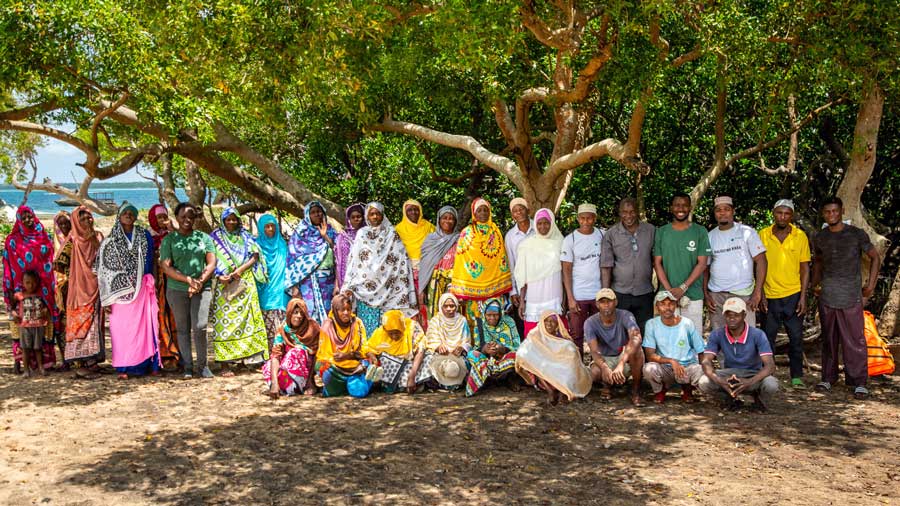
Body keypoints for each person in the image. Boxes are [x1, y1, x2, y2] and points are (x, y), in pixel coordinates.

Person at [811, 196, 881, 399]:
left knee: (855, 340)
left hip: (851, 295)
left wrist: (871, 285)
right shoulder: (820, 237)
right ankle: (827, 378)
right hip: (828, 296)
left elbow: (875, 257)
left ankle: (858, 381)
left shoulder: (856, 234)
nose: (832, 215)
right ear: (824, 214)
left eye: (835, 211)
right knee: (829, 339)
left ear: (842, 211)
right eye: (827, 212)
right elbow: (818, 261)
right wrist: (815, 284)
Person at [96, 203, 159, 379]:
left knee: (145, 328)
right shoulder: (111, 240)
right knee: (121, 331)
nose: (129, 215)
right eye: (125, 213)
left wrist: (152, 280)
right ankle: (124, 368)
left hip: (142, 290)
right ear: (119, 216)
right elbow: (103, 270)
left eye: (132, 213)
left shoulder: (144, 234)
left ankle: (147, 365)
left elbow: (151, 259)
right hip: (118, 295)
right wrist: (106, 299)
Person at [342, 202, 418, 337]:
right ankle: (367, 353)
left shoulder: (391, 234)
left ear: (383, 216)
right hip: (364, 290)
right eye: (372, 214)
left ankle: (385, 354)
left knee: (388, 330)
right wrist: (348, 284)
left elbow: (401, 259)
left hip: (389, 291)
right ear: (367, 216)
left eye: (378, 214)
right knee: (366, 331)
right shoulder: (361, 234)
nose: (375, 217)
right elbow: (353, 261)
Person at [159, 202, 217, 379]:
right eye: (183, 216)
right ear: (176, 218)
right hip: (177, 290)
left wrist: (199, 281)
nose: (187, 220)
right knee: (183, 329)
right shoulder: (169, 240)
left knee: (200, 327)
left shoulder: (203, 238)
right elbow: (166, 267)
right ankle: (188, 367)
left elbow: (212, 262)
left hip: (202, 288)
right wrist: (188, 280)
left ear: (195, 218)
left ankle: (203, 365)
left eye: (190, 216)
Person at [209, 207, 269, 371]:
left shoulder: (246, 236)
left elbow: (255, 255)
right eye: (228, 219)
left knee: (247, 322)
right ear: (223, 220)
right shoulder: (215, 238)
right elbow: (209, 259)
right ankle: (224, 363)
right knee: (225, 323)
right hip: (225, 285)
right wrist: (219, 275)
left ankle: (247, 360)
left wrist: (239, 271)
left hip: (245, 282)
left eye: (234, 219)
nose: (231, 222)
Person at [758, 199, 810, 389]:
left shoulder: (800, 236)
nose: (782, 217)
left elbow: (805, 268)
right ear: (773, 213)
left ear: (792, 215)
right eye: (779, 213)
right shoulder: (762, 235)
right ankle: (769, 375)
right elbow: (757, 266)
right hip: (769, 296)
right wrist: (760, 292)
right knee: (767, 338)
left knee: (795, 338)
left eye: (787, 213)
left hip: (793, 294)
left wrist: (803, 296)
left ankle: (796, 377)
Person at [3, 205, 58, 373]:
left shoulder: (43, 235)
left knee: (43, 327)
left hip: (42, 288)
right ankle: (21, 364)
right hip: (20, 288)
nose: (28, 219)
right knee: (21, 327)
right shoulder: (12, 240)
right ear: (19, 219)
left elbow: (49, 259)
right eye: (24, 217)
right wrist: (11, 291)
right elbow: (8, 265)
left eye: (30, 216)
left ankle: (44, 363)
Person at [699, 297, 778, 411]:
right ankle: (728, 399)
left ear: (744, 315)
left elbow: (770, 366)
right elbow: (706, 361)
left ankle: (759, 400)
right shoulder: (717, 334)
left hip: (753, 374)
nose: (732, 319)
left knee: (771, 384)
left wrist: (749, 382)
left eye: (736, 315)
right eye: (728, 315)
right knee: (704, 382)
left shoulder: (757, 334)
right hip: (730, 375)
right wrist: (719, 380)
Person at [704, 196, 767, 330]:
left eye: (726, 209)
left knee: (746, 336)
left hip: (743, 293)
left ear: (733, 211)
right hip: (717, 295)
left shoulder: (746, 232)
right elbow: (705, 267)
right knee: (720, 337)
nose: (722, 213)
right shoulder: (710, 236)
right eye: (718, 210)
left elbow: (761, 261)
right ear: (714, 213)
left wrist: (757, 292)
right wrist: (706, 294)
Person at [450, 197, 513, 329]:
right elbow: (462, 260)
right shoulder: (466, 232)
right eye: (479, 210)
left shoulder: (495, 231)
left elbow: (500, 257)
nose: (483, 213)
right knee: (475, 322)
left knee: (495, 319)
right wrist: (461, 286)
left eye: (486, 210)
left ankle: (495, 347)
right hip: (472, 288)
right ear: (474, 213)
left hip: (494, 286)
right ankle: (477, 346)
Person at [653, 193, 711, 333]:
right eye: (677, 205)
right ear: (671, 208)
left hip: (693, 295)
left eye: (684, 205)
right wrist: (671, 292)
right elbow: (657, 263)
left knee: (693, 339)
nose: (681, 208)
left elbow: (702, 263)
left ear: (690, 208)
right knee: (667, 342)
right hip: (666, 297)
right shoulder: (661, 232)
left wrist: (682, 288)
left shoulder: (700, 231)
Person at [601, 197, 656, 334]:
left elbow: (658, 261)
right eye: (624, 212)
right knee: (621, 333)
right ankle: (623, 357)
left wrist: (659, 288)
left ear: (637, 212)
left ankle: (643, 356)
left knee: (644, 333)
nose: (628, 216)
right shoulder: (611, 234)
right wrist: (606, 294)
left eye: (632, 212)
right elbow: (606, 266)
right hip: (620, 293)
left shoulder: (651, 231)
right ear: (619, 213)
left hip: (645, 292)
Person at [62, 207, 105, 377]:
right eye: (83, 219)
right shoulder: (72, 240)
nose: (88, 221)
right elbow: (59, 262)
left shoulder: (99, 236)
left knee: (95, 324)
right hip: (79, 289)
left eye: (90, 217)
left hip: (95, 286)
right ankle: (81, 364)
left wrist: (93, 240)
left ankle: (92, 362)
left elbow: (105, 257)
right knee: (81, 324)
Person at [516, 310, 592, 405]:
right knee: (536, 362)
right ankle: (550, 391)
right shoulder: (535, 335)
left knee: (571, 355)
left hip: (560, 373)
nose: (549, 324)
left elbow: (571, 356)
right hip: (543, 375)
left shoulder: (562, 339)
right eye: (546, 321)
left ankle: (562, 392)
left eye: (552, 321)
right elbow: (524, 351)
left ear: (557, 324)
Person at [642, 291, 706, 404]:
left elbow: (700, 349)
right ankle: (660, 390)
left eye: (670, 303)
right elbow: (650, 355)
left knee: (701, 370)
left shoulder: (687, 323)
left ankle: (688, 389)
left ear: (675, 305)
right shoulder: (651, 324)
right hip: (665, 368)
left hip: (686, 367)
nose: (667, 307)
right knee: (649, 369)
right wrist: (671, 361)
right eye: (662, 304)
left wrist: (702, 375)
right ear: (657, 306)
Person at [584, 289, 645, 406]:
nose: (606, 305)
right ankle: (607, 386)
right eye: (602, 302)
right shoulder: (590, 322)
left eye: (609, 301)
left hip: (623, 356)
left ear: (616, 302)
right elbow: (594, 351)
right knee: (594, 372)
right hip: (605, 357)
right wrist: (604, 367)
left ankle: (636, 390)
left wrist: (622, 363)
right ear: (597, 304)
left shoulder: (626, 315)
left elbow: (637, 337)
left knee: (638, 351)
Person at [515, 208, 564, 338]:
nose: (543, 226)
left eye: (546, 222)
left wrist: (565, 299)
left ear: (552, 223)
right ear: (535, 225)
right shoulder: (527, 245)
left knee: (554, 333)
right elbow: (523, 276)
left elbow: (565, 273)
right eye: (539, 223)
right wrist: (522, 301)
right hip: (533, 296)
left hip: (553, 293)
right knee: (533, 336)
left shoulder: (560, 243)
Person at [562, 203, 604, 351]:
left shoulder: (602, 235)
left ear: (595, 218)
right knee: (577, 334)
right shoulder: (570, 239)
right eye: (582, 218)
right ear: (578, 218)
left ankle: (598, 367)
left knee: (599, 333)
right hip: (579, 295)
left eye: (589, 218)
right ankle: (578, 367)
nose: (586, 222)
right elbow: (566, 270)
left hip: (598, 294)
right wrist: (570, 298)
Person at [286, 201, 337, 324]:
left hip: (328, 282)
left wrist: (325, 236)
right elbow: (292, 260)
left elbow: (338, 254)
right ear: (307, 215)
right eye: (313, 212)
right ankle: (311, 342)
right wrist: (294, 286)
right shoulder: (300, 233)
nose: (317, 214)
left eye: (319, 211)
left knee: (329, 314)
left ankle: (326, 341)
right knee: (309, 313)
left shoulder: (331, 231)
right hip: (307, 283)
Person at [315, 293, 374, 398]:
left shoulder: (357, 323)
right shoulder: (328, 325)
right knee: (322, 367)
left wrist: (348, 355)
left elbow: (363, 347)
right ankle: (345, 384)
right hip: (336, 368)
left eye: (348, 309)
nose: (346, 313)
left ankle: (358, 381)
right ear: (335, 311)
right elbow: (324, 355)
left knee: (359, 392)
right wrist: (339, 359)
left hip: (355, 366)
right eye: (342, 310)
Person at [263, 298, 320, 397]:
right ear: (289, 313)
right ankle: (281, 387)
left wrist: (311, 382)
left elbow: (317, 354)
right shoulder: (283, 329)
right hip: (289, 365)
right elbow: (276, 355)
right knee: (269, 365)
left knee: (296, 352)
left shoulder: (312, 328)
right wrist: (274, 383)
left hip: (308, 367)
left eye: (302, 313)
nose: (299, 316)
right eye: (295, 312)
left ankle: (303, 384)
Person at [366, 309, 431, 394]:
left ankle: (411, 382)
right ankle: (390, 384)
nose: (394, 336)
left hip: (411, 365)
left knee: (430, 357)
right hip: (390, 367)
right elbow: (369, 348)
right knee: (382, 359)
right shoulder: (380, 332)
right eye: (390, 333)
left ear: (402, 327)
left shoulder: (412, 327)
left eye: (397, 332)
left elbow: (421, 350)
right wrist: (373, 358)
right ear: (386, 330)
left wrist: (412, 375)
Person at [466, 298, 521, 396]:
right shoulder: (479, 323)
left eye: (496, 315)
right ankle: (486, 379)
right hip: (487, 359)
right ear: (484, 314)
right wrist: (485, 349)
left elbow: (517, 345)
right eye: (489, 315)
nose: (492, 318)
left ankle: (510, 379)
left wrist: (502, 348)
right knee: (472, 354)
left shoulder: (509, 322)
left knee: (517, 356)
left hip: (504, 357)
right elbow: (477, 346)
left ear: (500, 313)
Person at [148, 204, 179, 370]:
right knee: (159, 317)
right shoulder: (148, 237)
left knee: (174, 317)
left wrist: (172, 229)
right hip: (156, 283)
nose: (161, 221)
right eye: (158, 217)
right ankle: (161, 355)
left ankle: (174, 354)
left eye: (164, 217)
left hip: (172, 281)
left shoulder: (172, 235)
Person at [418, 205, 460, 319]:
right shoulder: (430, 240)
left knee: (453, 313)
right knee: (434, 313)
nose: (447, 221)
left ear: (455, 221)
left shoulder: (460, 239)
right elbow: (425, 266)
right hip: (434, 282)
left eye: (451, 218)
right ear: (439, 220)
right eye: (444, 217)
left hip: (454, 282)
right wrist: (421, 289)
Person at [256, 214, 290, 350]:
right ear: (261, 228)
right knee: (267, 324)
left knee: (283, 324)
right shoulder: (256, 246)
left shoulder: (282, 245)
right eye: (267, 226)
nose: (270, 229)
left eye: (273, 226)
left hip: (281, 292)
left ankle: (282, 354)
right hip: (264, 291)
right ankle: (269, 355)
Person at [395, 199, 435, 315]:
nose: (413, 212)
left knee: (426, 303)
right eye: (409, 210)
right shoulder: (398, 230)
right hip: (405, 273)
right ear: (404, 212)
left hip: (427, 271)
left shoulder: (429, 227)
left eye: (416, 209)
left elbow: (436, 248)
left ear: (420, 211)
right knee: (409, 305)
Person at [424, 293, 471, 390]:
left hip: (457, 354)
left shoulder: (462, 320)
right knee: (427, 360)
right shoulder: (435, 320)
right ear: (441, 306)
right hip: (439, 354)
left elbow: (467, 341)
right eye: (446, 306)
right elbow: (431, 339)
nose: (449, 309)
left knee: (470, 360)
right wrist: (438, 346)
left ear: (456, 306)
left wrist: (462, 347)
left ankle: (453, 381)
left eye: (452, 306)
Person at [504, 197, 534, 335]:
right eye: (515, 211)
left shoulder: (539, 228)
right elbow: (511, 264)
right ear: (512, 215)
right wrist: (513, 291)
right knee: (523, 326)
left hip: (541, 285)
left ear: (528, 210)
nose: (519, 213)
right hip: (521, 289)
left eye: (521, 209)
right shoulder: (510, 236)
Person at [13, 271, 49, 377]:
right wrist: (15, 314)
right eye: (27, 282)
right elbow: (12, 307)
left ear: (37, 282)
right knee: (25, 349)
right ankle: (26, 370)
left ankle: (41, 367)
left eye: (33, 282)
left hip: (38, 325)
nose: (30, 285)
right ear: (23, 283)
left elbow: (46, 307)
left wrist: (45, 311)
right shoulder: (19, 295)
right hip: (25, 326)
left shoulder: (40, 295)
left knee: (38, 348)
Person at [52, 211, 72, 366]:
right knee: (60, 324)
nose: (64, 226)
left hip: (74, 288)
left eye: (67, 222)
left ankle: (75, 357)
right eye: (61, 224)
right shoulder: (53, 244)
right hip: (57, 290)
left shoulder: (74, 241)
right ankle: (65, 358)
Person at [334, 203, 365, 293]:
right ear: (349, 219)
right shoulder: (342, 237)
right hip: (346, 279)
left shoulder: (368, 235)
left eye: (358, 216)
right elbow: (338, 262)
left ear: (363, 217)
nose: (356, 219)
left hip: (364, 278)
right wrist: (336, 285)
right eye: (353, 217)